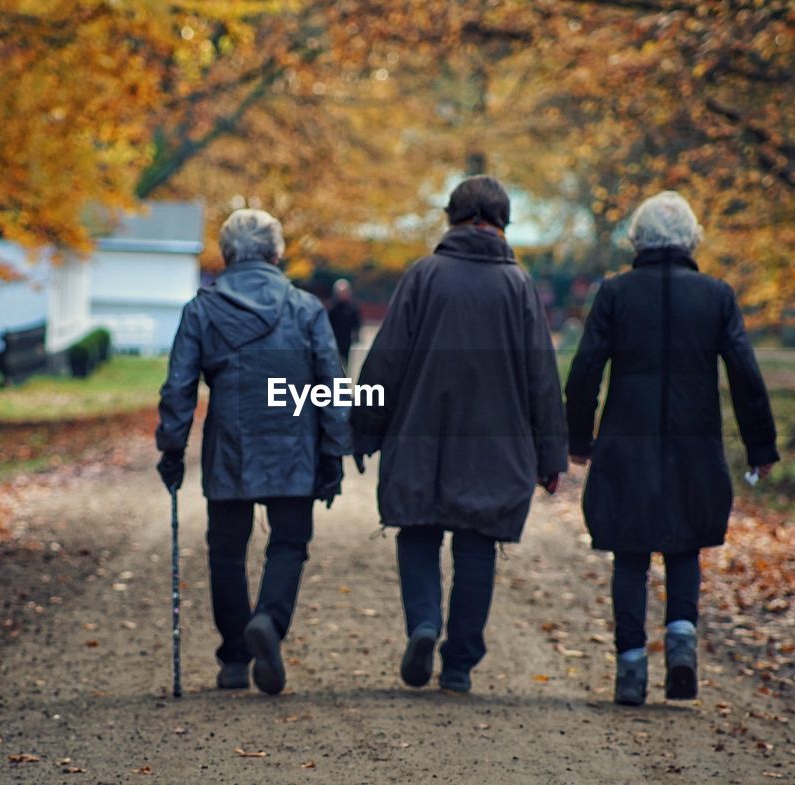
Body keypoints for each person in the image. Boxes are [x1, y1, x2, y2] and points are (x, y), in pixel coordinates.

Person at [352, 175, 567, 693]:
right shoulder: (518, 286)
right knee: (477, 545)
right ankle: (459, 663)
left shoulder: (423, 276)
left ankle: (424, 622)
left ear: (452, 216)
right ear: (501, 223)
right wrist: (550, 454)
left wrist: (363, 429)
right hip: (496, 443)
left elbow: (386, 363)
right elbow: (542, 376)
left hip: (419, 435)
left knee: (419, 532)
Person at [564, 191, 779, 706]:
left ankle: (631, 667)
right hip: (695, 439)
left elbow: (587, 368)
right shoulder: (716, 295)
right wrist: (760, 445)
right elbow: (745, 373)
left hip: (626, 440)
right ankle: (681, 637)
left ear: (638, 239)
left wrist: (578, 439)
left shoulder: (615, 293)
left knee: (630, 552)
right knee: (685, 546)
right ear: (690, 239)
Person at [155, 209, 350, 696]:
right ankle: (268, 619)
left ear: (226, 254)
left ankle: (235, 658)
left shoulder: (202, 310)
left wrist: (172, 448)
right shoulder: (306, 308)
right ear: (276, 252)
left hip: (231, 444)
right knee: (289, 541)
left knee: (226, 548)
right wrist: (333, 451)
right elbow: (332, 384)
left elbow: (179, 387)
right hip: (293, 442)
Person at [328, 278, 362, 372]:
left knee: (346, 362)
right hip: (335, 340)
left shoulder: (352, 307)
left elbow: (357, 322)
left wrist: (356, 334)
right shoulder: (332, 307)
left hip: (347, 340)